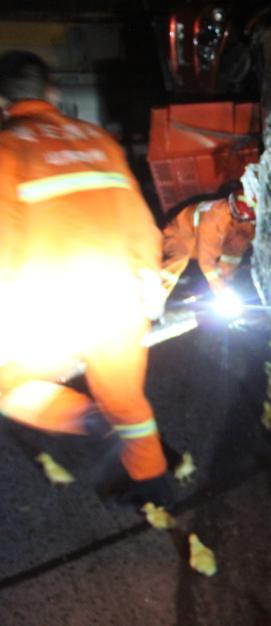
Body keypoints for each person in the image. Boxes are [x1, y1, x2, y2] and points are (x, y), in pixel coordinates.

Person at [0, 51, 171, 504]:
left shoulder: (6, 150)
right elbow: (138, 218)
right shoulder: (98, 140)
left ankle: (86, 420)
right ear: (52, 91)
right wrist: (148, 280)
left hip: (52, 302)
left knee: (7, 385)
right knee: (127, 400)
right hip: (120, 296)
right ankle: (155, 488)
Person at [160, 165, 258, 297]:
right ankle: (154, 295)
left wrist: (225, 282)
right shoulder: (213, 219)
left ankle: (226, 284)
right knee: (178, 259)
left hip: (206, 238)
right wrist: (218, 286)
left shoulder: (243, 218)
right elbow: (206, 261)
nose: (248, 224)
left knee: (238, 241)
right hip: (181, 232)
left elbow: (238, 247)